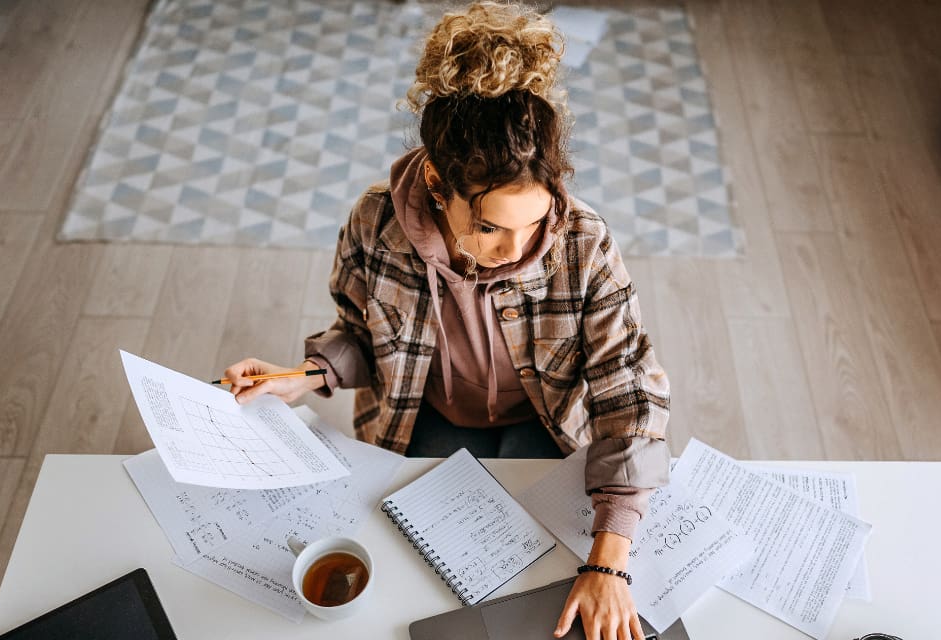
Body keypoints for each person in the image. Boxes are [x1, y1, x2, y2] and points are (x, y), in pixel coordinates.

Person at [223, 3, 670, 639]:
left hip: (547, 422)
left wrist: (613, 562)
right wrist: (308, 375)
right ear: (436, 182)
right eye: (489, 227)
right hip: (420, 419)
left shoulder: (585, 242)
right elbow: (358, 333)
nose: (516, 252)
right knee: (412, 584)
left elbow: (629, 389)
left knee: (541, 582)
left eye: (534, 223)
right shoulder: (374, 223)